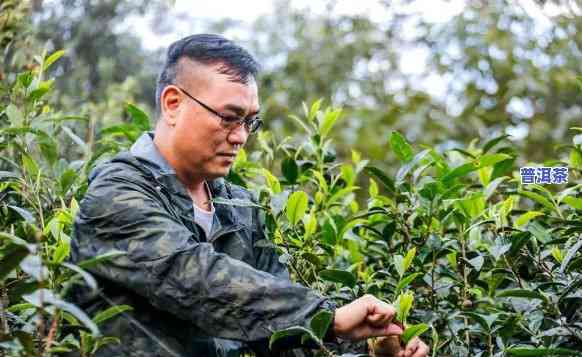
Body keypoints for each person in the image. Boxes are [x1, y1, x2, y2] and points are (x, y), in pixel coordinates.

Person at [71, 34, 430, 357]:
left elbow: (279, 333)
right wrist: (328, 318)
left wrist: (371, 350)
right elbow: (196, 280)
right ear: (173, 104)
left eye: (250, 122)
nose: (241, 136)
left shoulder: (239, 208)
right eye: (229, 117)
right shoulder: (117, 193)